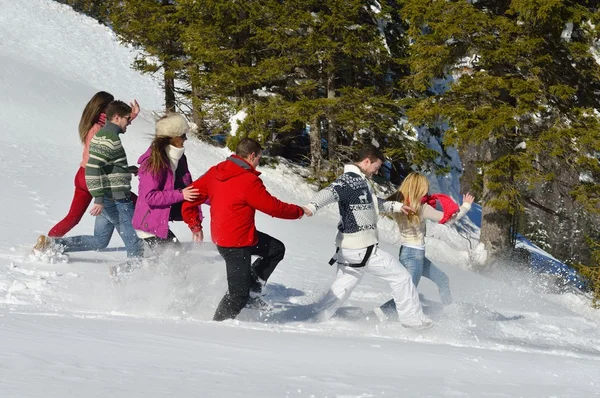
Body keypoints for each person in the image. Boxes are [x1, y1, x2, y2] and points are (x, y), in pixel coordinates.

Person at [303, 145, 433, 329]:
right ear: (366, 161)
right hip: (361, 248)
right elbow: (330, 191)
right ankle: (412, 320)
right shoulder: (350, 181)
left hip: (350, 248)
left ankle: (316, 318)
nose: (376, 171)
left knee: (342, 288)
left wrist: (397, 207)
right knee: (402, 277)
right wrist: (312, 206)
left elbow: (372, 203)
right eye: (376, 166)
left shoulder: (360, 181)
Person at [181, 138, 308, 321]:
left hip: (237, 236)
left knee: (275, 249)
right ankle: (216, 326)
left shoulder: (216, 172)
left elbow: (190, 196)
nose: (258, 163)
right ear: (251, 156)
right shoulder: (247, 180)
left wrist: (194, 224)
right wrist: (298, 211)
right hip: (236, 244)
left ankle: (252, 290)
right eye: (259, 158)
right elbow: (272, 207)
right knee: (237, 296)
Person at [34, 100, 144, 262]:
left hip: (109, 197)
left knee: (100, 241)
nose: (128, 123)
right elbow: (93, 168)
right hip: (116, 199)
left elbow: (107, 166)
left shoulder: (105, 134)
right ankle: (128, 275)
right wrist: (98, 199)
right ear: (116, 118)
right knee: (134, 243)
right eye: (127, 119)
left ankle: (52, 245)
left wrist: (126, 169)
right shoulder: (108, 139)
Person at [47, 91, 139, 238]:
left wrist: (130, 116)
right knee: (133, 204)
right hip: (93, 177)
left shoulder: (92, 124)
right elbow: (97, 162)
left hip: (82, 175)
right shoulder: (99, 131)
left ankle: (46, 243)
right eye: (111, 106)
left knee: (73, 218)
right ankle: (143, 245)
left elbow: (116, 125)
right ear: (104, 109)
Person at [386, 172, 474, 306]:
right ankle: (382, 312)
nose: (427, 192)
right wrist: (466, 206)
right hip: (413, 256)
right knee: (408, 293)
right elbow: (448, 218)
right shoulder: (421, 208)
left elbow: (383, 205)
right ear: (419, 188)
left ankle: (450, 311)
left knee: (442, 279)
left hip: (411, 254)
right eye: (425, 188)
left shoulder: (399, 204)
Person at [132, 113, 203, 251]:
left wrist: (213, 197)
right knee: (176, 261)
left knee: (171, 261)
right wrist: (181, 194)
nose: (185, 138)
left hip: (159, 222)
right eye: (182, 135)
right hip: (148, 224)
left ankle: (125, 269)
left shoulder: (179, 158)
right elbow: (150, 197)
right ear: (171, 137)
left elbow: (189, 189)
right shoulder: (153, 162)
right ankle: (129, 270)